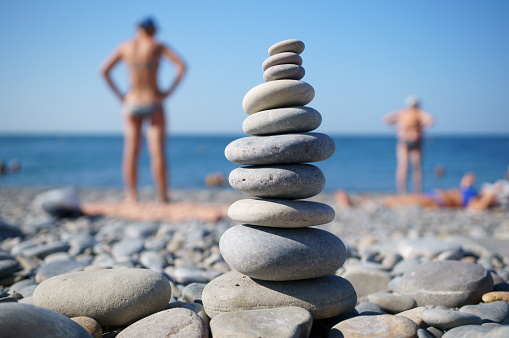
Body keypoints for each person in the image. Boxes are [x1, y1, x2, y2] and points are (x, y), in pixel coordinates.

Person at [100, 17, 187, 203]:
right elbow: (181, 66)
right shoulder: (157, 45)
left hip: (131, 102)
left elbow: (104, 70)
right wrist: (168, 91)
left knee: (131, 150)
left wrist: (120, 96)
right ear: (151, 29)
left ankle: (131, 196)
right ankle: (162, 197)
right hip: (153, 100)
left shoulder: (125, 47)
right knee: (157, 151)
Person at [336, 172, 504, 211]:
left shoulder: (477, 200)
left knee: (397, 202)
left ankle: (355, 205)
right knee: (398, 199)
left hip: (437, 201)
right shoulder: (474, 194)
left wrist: (491, 195)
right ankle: (358, 202)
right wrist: (468, 182)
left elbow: (477, 208)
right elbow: (464, 186)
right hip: (433, 196)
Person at [384, 95, 434, 194]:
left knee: (414, 167)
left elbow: (430, 120)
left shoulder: (411, 113)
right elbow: (386, 119)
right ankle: (404, 191)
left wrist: (418, 126)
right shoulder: (407, 113)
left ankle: (413, 191)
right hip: (407, 141)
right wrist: (399, 126)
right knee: (406, 167)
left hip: (412, 141)